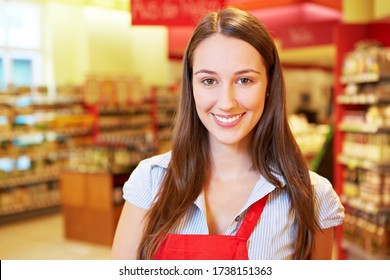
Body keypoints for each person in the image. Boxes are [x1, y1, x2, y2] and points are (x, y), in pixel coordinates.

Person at [111, 7, 344, 260]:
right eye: (209, 81)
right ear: (191, 87)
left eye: (244, 80)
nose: (226, 103)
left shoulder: (312, 196)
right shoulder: (151, 180)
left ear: (269, 85)